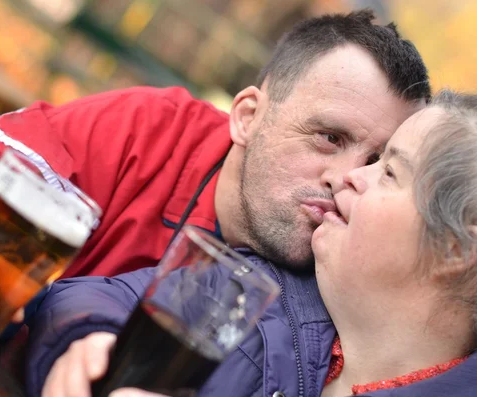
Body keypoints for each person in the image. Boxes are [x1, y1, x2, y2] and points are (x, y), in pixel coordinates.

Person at [0, 10, 429, 351]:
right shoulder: (150, 131)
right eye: (328, 137)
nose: (345, 178)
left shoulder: (360, 277)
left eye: (377, 163)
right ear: (248, 117)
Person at [25, 90, 477, 397]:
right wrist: (89, 342)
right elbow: (90, 296)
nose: (350, 177)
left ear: (459, 247)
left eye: (389, 171)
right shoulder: (256, 288)